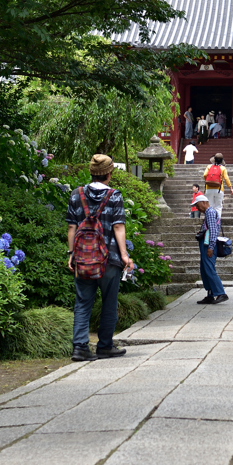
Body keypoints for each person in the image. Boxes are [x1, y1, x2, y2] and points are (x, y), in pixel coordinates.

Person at [66, 154, 135, 361]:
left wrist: (71, 254)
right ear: (109, 174)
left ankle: (80, 348)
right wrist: (124, 256)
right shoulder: (114, 196)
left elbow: (71, 226)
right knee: (109, 302)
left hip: (84, 258)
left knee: (82, 303)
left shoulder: (76, 194)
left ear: (91, 172)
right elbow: (118, 226)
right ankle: (105, 346)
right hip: (109, 260)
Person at [194, 195, 228, 305]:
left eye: (197, 205)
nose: (197, 208)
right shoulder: (209, 213)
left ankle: (221, 293)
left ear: (204, 202)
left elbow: (213, 231)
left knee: (209, 269)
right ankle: (210, 294)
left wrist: (211, 247)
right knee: (205, 270)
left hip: (208, 245)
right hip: (206, 244)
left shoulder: (210, 212)